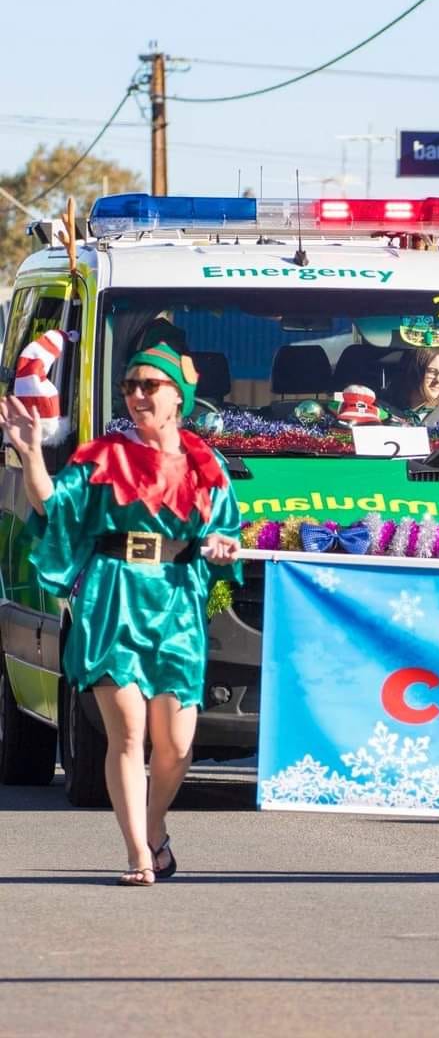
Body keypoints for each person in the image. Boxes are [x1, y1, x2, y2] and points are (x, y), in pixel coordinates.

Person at [0, 342, 242, 886]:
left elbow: (224, 531)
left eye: (148, 386)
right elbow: (52, 504)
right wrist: (31, 454)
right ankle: (137, 852)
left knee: (176, 745)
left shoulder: (206, 464)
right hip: (112, 597)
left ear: (178, 397)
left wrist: (224, 546)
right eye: (130, 386)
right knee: (128, 733)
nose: (135, 395)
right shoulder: (103, 455)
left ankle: (154, 828)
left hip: (175, 600)